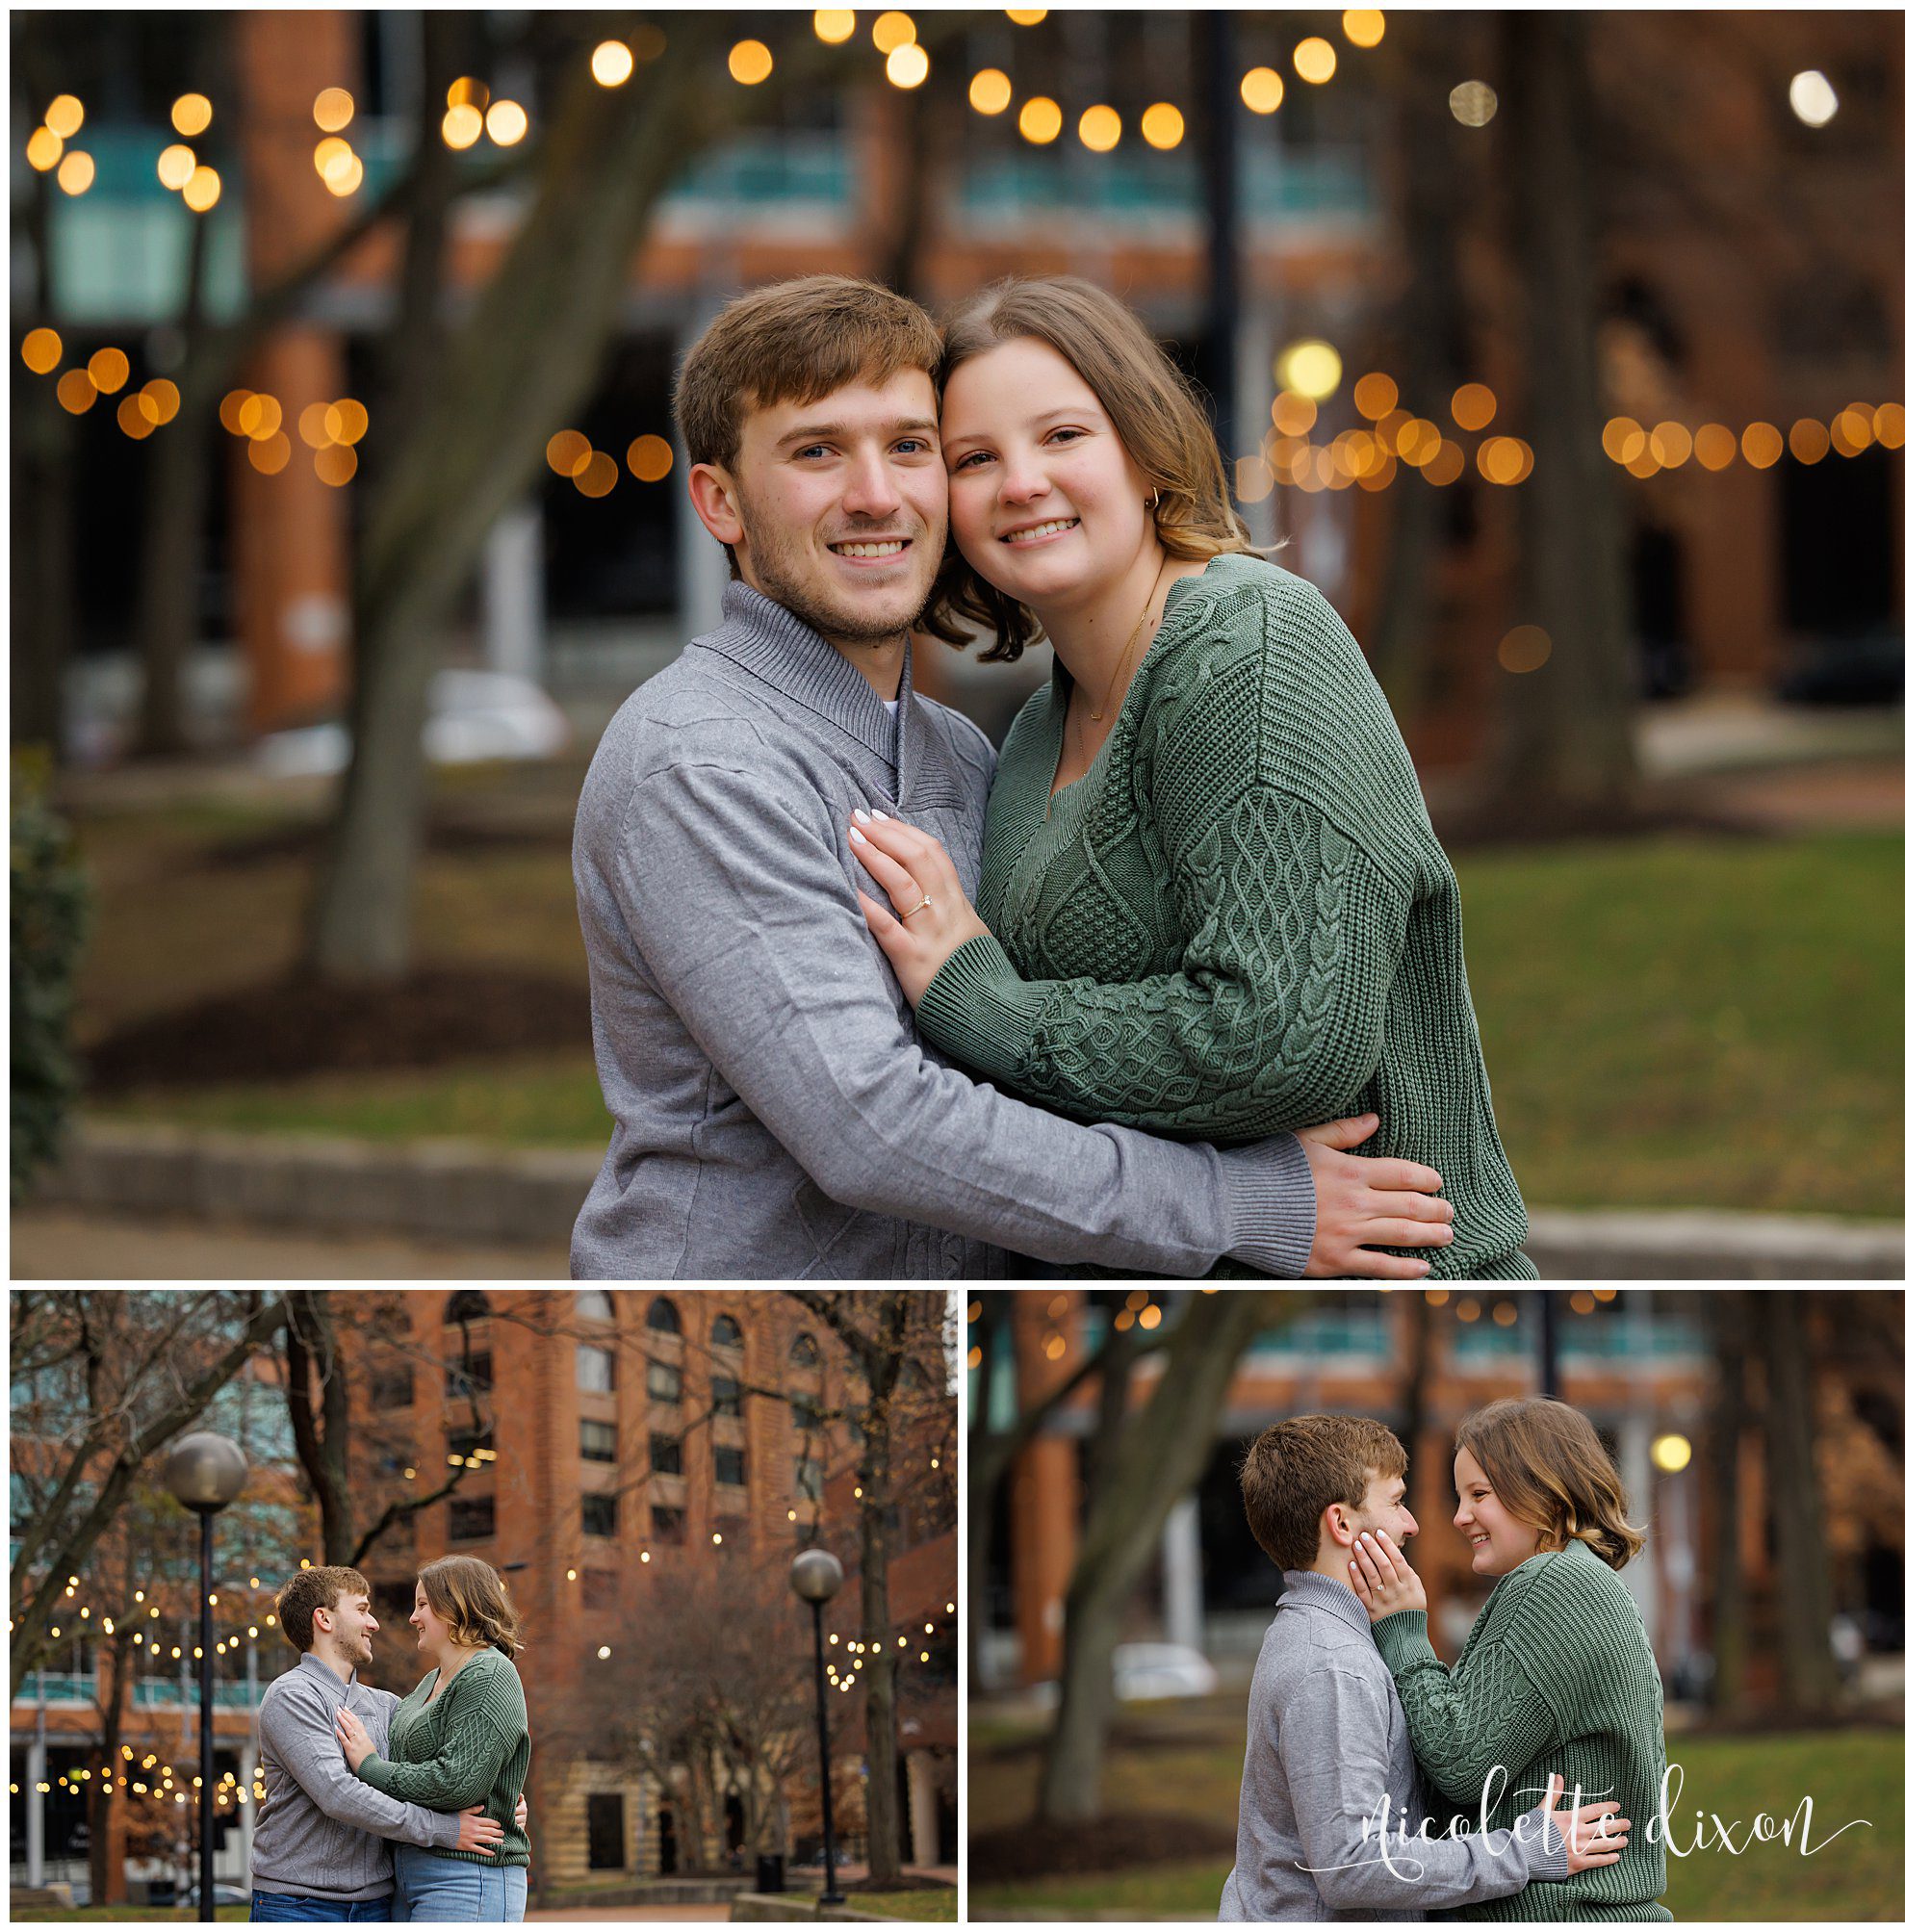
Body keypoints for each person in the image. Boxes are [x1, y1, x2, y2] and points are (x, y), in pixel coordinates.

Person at [570, 271, 1458, 1279]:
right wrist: (1234, 1202)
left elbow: (1216, 1030)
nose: (876, 494)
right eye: (817, 452)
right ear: (719, 501)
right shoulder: (699, 758)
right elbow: (873, 1126)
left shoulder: (967, 749)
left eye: (908, 447)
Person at [847, 274, 1532, 1278]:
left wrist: (980, 1000)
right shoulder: (1036, 728)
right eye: (973, 459)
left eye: (1062, 437)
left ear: (1144, 450)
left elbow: (1280, 1040)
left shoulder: (1249, 646)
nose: (1020, 482)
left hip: (1384, 1274)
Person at [1221, 1415, 1629, 1920]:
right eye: (1395, 1502)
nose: (1414, 1523)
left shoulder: (1330, 1642)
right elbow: (1352, 1862)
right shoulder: (1331, 1664)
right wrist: (1521, 1851)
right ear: (1342, 1524)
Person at [1349, 1397, 1670, 1919]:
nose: (1460, 1516)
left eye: (1481, 1494)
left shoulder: (1553, 1586)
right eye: (1460, 1496)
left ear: (1545, 1490)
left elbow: (1460, 1762)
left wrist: (1404, 1633)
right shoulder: (1583, 1583)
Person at [249, 1565, 522, 1922]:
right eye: (362, 1610)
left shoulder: (389, 1705)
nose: (374, 1623)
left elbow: (424, 1773)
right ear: (324, 1619)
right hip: (298, 1904)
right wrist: (443, 1830)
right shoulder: (293, 1696)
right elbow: (337, 1793)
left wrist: (500, 1803)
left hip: (379, 1903)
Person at [335, 1556, 532, 1923]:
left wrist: (370, 1766)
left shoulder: (489, 1673)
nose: (413, 1617)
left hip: (468, 1875)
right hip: (410, 1870)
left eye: (423, 1604)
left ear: (458, 1605)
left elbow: (456, 1782)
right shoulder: (430, 1682)